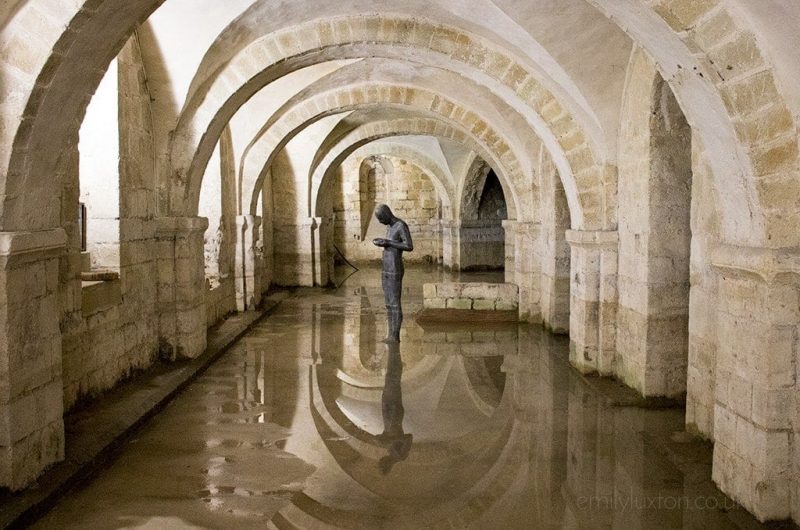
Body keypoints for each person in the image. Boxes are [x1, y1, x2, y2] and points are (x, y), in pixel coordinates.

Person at [372, 204, 413, 343]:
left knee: (395, 303)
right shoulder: (389, 226)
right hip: (386, 268)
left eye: (381, 219)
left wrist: (388, 242)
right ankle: (390, 334)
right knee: (388, 303)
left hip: (395, 268)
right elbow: (390, 244)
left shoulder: (400, 225)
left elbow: (409, 246)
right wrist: (384, 243)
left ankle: (395, 336)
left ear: (387, 214)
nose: (380, 222)